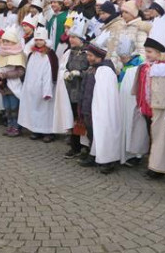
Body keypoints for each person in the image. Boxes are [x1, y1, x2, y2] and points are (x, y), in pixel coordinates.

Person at [78, 31, 121, 174]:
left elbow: (105, 95)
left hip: (101, 110)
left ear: (98, 56)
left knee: (103, 132)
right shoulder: (93, 69)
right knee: (92, 133)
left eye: (90, 55)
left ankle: (107, 159)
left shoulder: (105, 71)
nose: (88, 58)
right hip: (89, 106)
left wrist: (97, 109)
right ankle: (94, 154)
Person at [137, 16, 165, 179]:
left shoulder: (164, 69)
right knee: (153, 136)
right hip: (147, 106)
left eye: (150, 52)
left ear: (160, 54)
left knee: (160, 138)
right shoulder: (146, 67)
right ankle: (153, 164)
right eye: (146, 51)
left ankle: (158, 168)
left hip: (160, 107)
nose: (147, 54)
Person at [53, 13, 90, 157]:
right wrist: (66, 73)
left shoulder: (87, 53)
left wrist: (79, 73)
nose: (71, 39)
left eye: (74, 37)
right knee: (73, 118)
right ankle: (75, 146)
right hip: (70, 91)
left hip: (82, 91)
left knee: (82, 119)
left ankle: (85, 146)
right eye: (70, 37)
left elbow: (90, 69)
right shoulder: (69, 52)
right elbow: (63, 67)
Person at [18, 27, 59, 142]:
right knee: (34, 109)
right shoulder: (32, 54)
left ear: (45, 41)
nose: (38, 42)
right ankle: (36, 130)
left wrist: (47, 90)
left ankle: (48, 132)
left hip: (45, 87)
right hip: (32, 87)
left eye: (41, 40)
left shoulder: (50, 55)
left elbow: (50, 74)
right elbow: (29, 72)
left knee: (46, 110)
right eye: (36, 40)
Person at [116, 36, 148, 166]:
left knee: (135, 127)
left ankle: (136, 154)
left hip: (133, 102)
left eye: (123, 58)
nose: (121, 60)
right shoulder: (126, 66)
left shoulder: (137, 67)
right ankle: (126, 152)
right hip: (124, 100)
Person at [0, 25, 26, 137]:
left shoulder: (19, 54)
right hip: (3, 87)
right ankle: (10, 126)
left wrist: (6, 75)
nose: (5, 43)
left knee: (14, 107)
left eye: (8, 41)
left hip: (14, 86)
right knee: (7, 107)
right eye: (4, 41)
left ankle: (16, 127)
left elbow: (20, 71)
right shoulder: (1, 53)